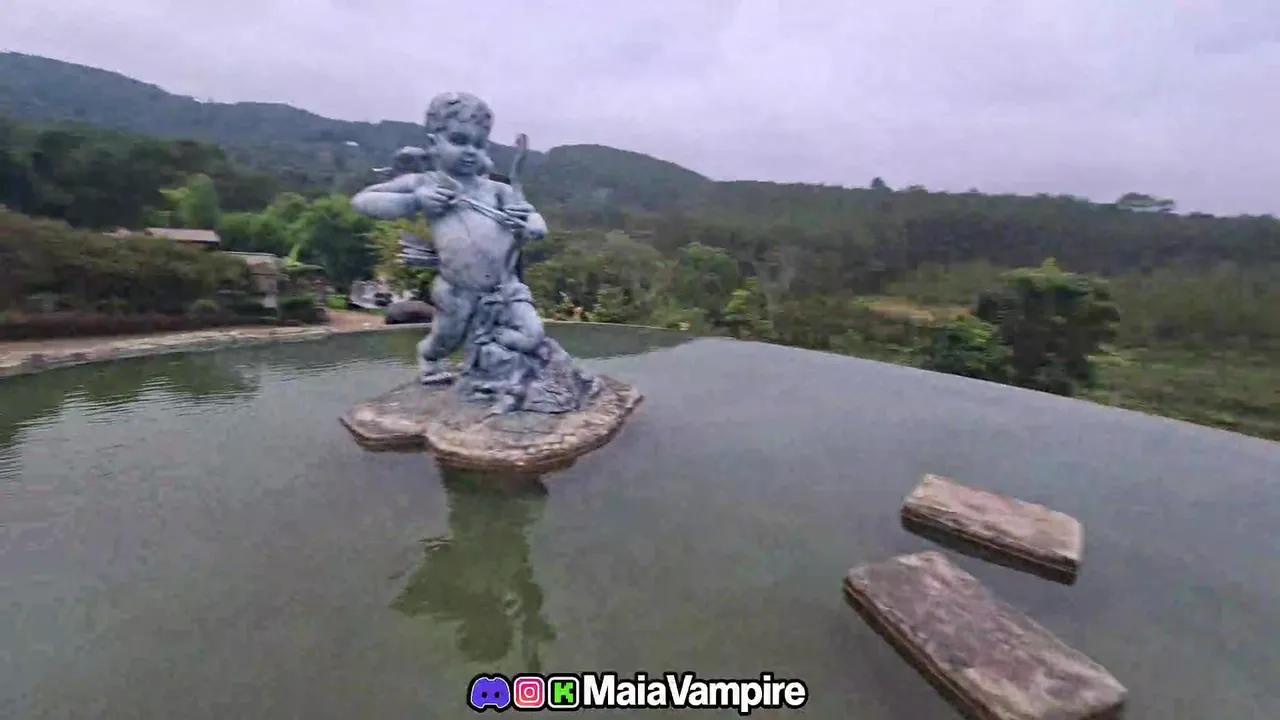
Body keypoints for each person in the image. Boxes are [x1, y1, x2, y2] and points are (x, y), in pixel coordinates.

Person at [351, 92, 547, 384]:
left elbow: (531, 215)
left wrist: (534, 225)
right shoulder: (426, 183)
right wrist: (415, 200)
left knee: (532, 335)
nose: (470, 151)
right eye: (458, 140)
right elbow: (362, 201)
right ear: (434, 143)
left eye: (478, 144)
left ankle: (492, 349)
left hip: (506, 287)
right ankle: (430, 358)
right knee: (446, 338)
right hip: (457, 289)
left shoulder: (498, 190)